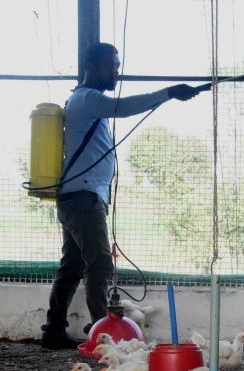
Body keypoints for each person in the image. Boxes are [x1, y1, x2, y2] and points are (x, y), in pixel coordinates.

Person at [41, 42, 199, 349]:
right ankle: (106, 338)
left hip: (79, 198)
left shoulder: (81, 99)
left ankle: (54, 331)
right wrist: (168, 93)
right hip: (83, 199)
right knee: (99, 264)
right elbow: (123, 107)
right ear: (94, 67)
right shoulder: (88, 98)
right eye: (112, 65)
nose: (117, 71)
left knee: (72, 268)